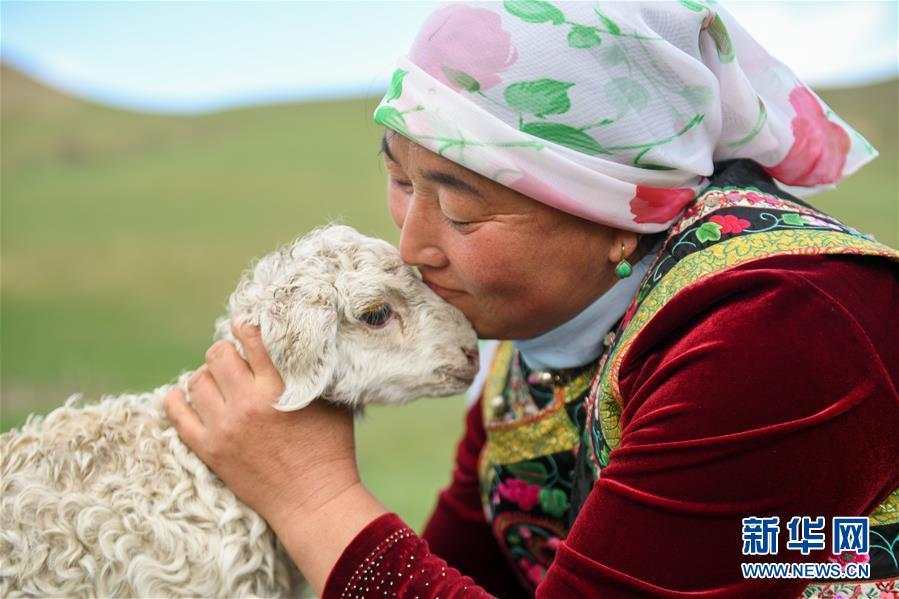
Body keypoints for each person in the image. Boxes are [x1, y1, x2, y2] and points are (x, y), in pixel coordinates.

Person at [164, 2, 899, 597]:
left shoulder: (777, 328)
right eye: (400, 179)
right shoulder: (542, 343)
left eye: (459, 208)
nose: (413, 246)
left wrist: (315, 501)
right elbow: (463, 568)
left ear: (619, 212)